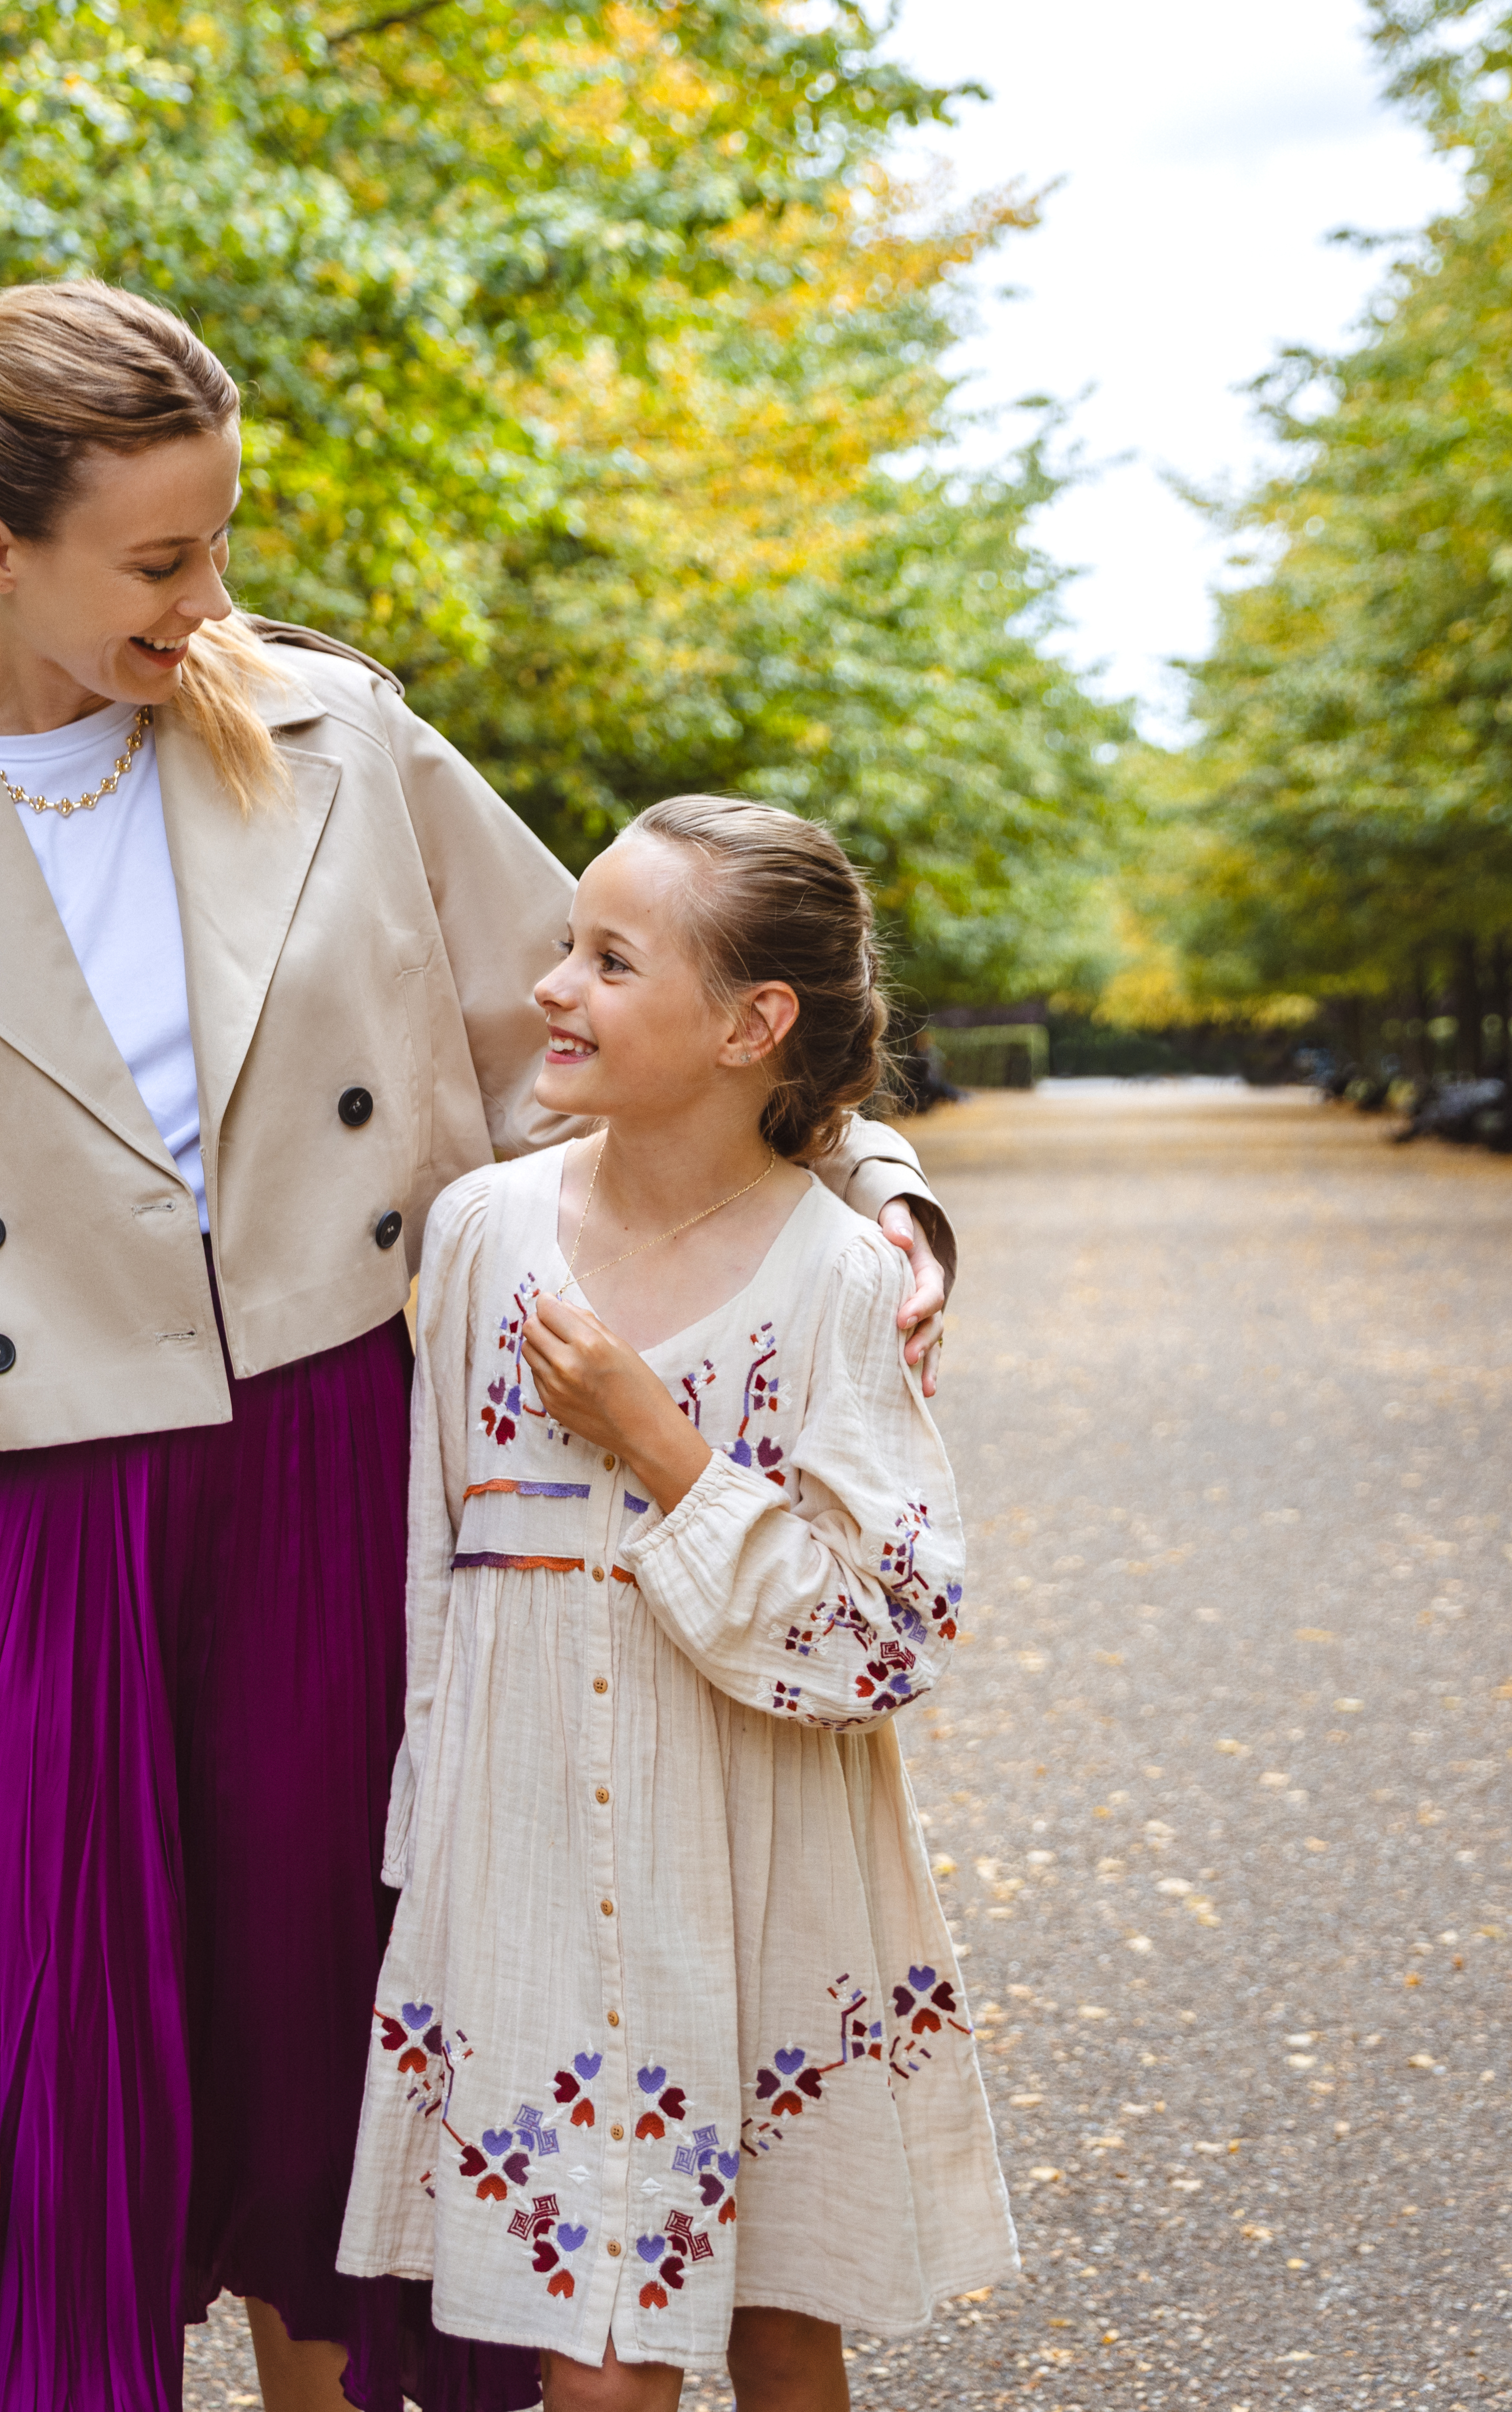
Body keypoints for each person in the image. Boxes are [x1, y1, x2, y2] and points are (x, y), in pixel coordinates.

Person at [0, 279, 963, 2412]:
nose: (208, 594)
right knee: (19, 2090)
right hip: (41, 1526)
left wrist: (862, 1186)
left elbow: (588, 1014)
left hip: (351, 1474)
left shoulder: (328, 730)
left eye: (218, 535)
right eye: (157, 559)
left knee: (347, 2042)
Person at [335, 796, 1014, 2410]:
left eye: (611, 959)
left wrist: (664, 1448)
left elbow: (892, 1628)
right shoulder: (486, 1234)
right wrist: (423, 1847)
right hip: (531, 1870)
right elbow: (442, 1579)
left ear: (749, 1024)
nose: (555, 986)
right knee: (602, 2347)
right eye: (566, 945)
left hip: (758, 1865)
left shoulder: (835, 1276)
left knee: (783, 2319)